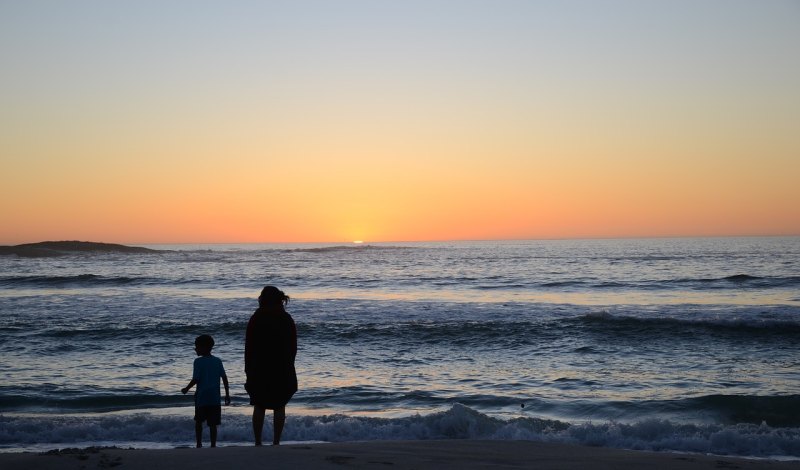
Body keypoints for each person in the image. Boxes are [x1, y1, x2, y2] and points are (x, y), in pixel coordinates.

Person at [245, 285, 298, 446]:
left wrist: (248, 368)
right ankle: (276, 441)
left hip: (259, 367)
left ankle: (258, 441)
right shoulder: (286, 318)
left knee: (259, 405)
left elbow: (249, 345)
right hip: (282, 366)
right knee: (279, 405)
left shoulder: (257, 317)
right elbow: (293, 345)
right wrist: (290, 363)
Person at [181, 334, 231, 448]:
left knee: (199, 421)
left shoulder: (198, 362)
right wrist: (227, 394)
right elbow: (224, 378)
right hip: (214, 398)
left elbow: (196, 379)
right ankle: (213, 445)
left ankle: (199, 444)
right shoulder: (218, 361)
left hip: (201, 398)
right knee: (213, 424)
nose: (195, 349)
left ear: (204, 347)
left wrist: (186, 389)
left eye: (197, 347)